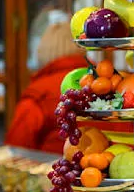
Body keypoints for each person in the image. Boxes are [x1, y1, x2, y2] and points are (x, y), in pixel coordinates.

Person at [5, 16, 85, 154]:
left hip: (53, 172)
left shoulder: (39, 93)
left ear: (43, 50)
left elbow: (15, 150)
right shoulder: (105, 82)